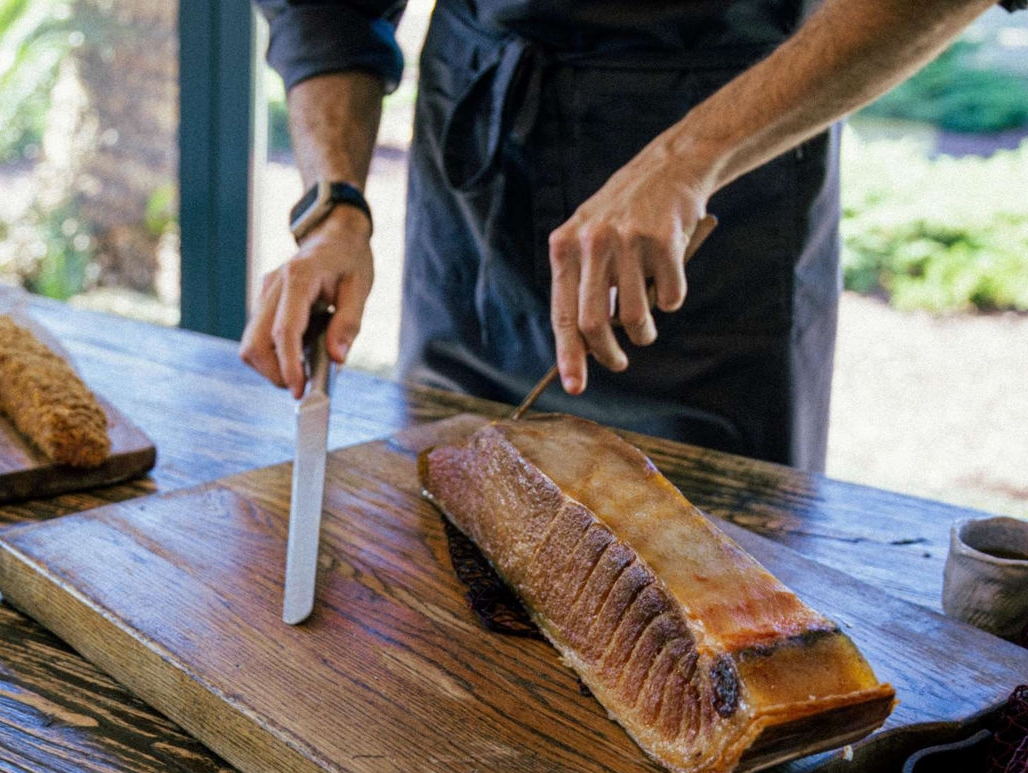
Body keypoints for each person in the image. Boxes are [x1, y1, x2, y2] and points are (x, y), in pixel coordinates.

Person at [242, 0, 1018, 470]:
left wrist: (689, 159)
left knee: (703, 590)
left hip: (726, 188)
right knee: (448, 524)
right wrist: (333, 206)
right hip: (475, 195)